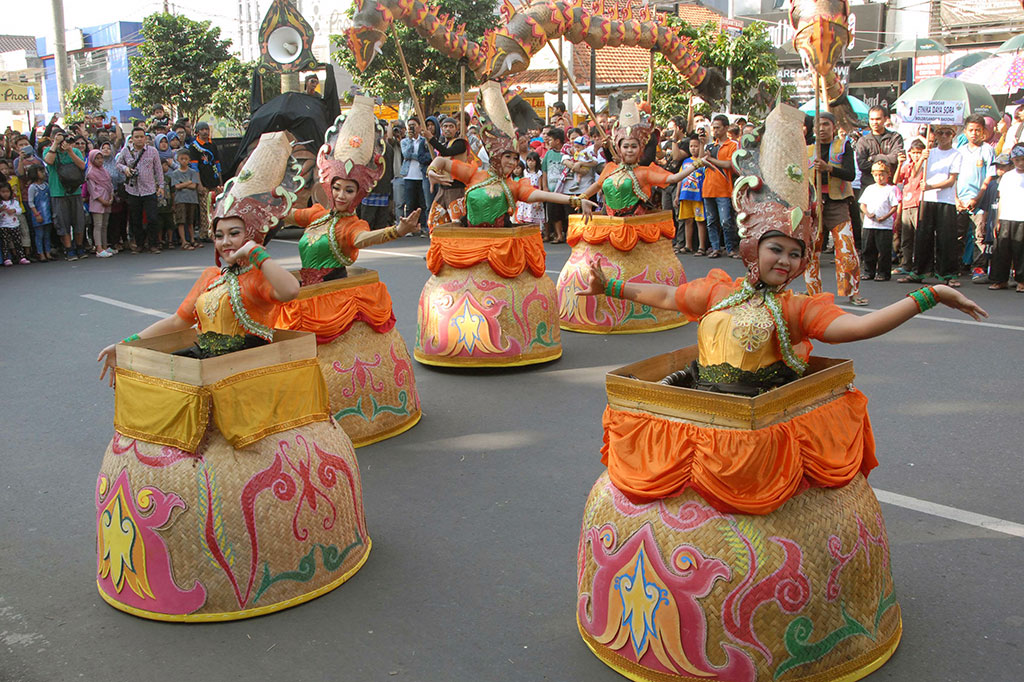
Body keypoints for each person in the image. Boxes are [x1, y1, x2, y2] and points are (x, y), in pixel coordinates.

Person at [806, 112, 867, 305]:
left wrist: (829, 168)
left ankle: (852, 291)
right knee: (811, 249)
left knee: (846, 248)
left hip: (837, 202)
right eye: (818, 125)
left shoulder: (844, 146)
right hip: (813, 203)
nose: (822, 129)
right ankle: (813, 293)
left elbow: (850, 174)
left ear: (833, 127)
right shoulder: (807, 149)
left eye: (825, 124)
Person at [899, 124, 962, 286]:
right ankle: (919, 271)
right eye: (940, 133)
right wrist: (921, 157)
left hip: (944, 200)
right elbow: (914, 173)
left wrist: (931, 186)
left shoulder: (956, 154)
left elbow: (951, 180)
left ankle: (947, 273)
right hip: (927, 199)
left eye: (948, 133)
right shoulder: (930, 153)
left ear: (953, 135)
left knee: (945, 237)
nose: (943, 136)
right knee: (923, 236)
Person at [954, 114, 995, 279]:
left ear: (983, 131)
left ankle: (978, 267)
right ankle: (955, 266)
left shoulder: (987, 150)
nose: (974, 133)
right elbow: (954, 176)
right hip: (960, 200)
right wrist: (956, 199)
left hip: (980, 201)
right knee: (958, 235)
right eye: (971, 130)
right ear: (965, 131)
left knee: (979, 235)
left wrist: (977, 198)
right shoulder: (959, 151)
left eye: (978, 130)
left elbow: (988, 178)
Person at [117, 126, 165, 254]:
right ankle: (139, 244)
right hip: (132, 190)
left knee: (152, 218)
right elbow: (118, 164)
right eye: (136, 137)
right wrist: (125, 169)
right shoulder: (126, 151)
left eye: (141, 137)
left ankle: (153, 244)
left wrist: (161, 186)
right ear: (132, 139)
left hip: (149, 189)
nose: (139, 139)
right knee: (135, 219)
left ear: (145, 138)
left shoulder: (153, 151)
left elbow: (158, 170)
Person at [43, 129, 87, 260]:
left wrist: (70, 151)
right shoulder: (49, 151)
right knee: (62, 222)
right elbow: (49, 161)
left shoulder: (75, 151)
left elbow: (82, 166)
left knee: (79, 221)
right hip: (58, 192)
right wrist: (55, 144)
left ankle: (79, 247)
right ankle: (69, 249)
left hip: (75, 191)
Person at [988, 144, 1024, 291]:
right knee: (1001, 250)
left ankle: (1022, 281)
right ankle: (1000, 279)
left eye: (1023, 159)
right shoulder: (1007, 177)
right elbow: (1001, 199)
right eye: (1017, 160)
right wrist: (997, 220)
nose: (1020, 163)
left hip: (1022, 219)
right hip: (1006, 217)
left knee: (1021, 251)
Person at [702, 114, 738, 258]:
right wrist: (702, 145)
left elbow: (730, 164)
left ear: (726, 128)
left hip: (724, 189)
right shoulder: (710, 145)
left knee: (726, 221)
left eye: (718, 128)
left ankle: (730, 248)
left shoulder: (733, 145)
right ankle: (715, 248)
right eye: (713, 128)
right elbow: (701, 161)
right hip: (708, 188)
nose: (715, 131)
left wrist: (710, 159)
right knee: (711, 221)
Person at [425, 116, 469, 231]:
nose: (448, 129)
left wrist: (431, 139)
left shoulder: (460, 143)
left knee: (457, 223)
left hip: (456, 189)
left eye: (451, 126)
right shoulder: (443, 145)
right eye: (445, 126)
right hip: (442, 189)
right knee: (433, 221)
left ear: (456, 129)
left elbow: (446, 153)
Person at [859, 161, 898, 280]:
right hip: (869, 224)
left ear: (888, 175)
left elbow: (894, 207)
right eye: (876, 175)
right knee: (868, 249)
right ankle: (868, 271)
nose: (879, 178)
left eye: (882, 175)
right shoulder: (870, 189)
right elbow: (862, 205)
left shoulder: (890, 189)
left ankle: (883, 273)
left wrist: (885, 217)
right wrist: (867, 213)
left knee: (884, 251)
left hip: (884, 225)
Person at [893, 139, 926, 275]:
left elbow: (915, 174)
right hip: (907, 203)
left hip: (919, 203)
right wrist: (900, 164)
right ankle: (906, 264)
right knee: (907, 236)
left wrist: (923, 159)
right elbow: (895, 181)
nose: (916, 156)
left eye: (919, 153)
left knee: (920, 236)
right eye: (914, 153)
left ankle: (918, 265)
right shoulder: (907, 166)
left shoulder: (925, 166)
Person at [855, 106, 904, 190]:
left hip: (889, 187)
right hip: (868, 187)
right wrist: (885, 162)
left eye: (878, 119)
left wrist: (874, 158)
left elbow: (895, 158)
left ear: (885, 119)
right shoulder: (863, 140)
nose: (874, 122)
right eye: (872, 119)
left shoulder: (895, 137)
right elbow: (862, 165)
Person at [188, 121, 223, 237]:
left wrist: (220, 182)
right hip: (203, 181)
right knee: (205, 209)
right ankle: (205, 233)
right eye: (202, 130)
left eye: (206, 129)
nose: (205, 132)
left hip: (214, 180)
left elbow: (217, 164)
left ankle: (217, 231)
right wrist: (199, 184)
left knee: (217, 207)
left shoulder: (212, 145)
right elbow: (194, 167)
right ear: (197, 132)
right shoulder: (194, 147)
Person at [676, 135, 707, 255]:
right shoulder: (685, 161)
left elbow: (700, 160)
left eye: (696, 146)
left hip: (697, 195)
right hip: (685, 194)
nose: (693, 148)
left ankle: (701, 246)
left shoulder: (702, 161)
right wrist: (677, 195)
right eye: (691, 146)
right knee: (687, 220)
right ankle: (688, 245)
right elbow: (680, 178)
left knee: (700, 221)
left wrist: (703, 145)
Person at [400, 117, 431, 231]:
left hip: (422, 175)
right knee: (410, 203)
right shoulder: (405, 141)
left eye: (413, 125)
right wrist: (411, 141)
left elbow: (427, 156)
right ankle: (408, 227)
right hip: (409, 175)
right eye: (409, 125)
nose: (411, 127)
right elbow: (406, 154)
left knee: (422, 203)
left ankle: (423, 226)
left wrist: (420, 157)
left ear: (419, 126)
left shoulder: (424, 140)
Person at [168, 149, 201, 250]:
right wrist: (188, 182)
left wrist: (184, 184)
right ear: (177, 160)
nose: (184, 161)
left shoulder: (193, 172)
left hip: (192, 199)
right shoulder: (175, 173)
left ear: (189, 160)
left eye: (186, 159)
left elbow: (194, 185)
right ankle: (183, 241)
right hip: (180, 199)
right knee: (181, 221)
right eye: (181, 159)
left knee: (191, 221)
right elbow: (177, 186)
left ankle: (192, 240)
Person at [85, 149, 114, 257]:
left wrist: (111, 197)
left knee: (105, 225)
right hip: (98, 202)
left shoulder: (104, 171)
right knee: (98, 225)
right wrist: (103, 201)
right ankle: (99, 248)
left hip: (107, 199)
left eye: (101, 158)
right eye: (97, 158)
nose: (100, 160)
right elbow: (93, 191)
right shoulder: (91, 173)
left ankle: (105, 246)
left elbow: (110, 184)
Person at [541, 126, 568, 242]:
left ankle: (568, 234)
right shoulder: (548, 154)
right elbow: (544, 171)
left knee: (567, 213)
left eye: (551, 139)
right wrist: (545, 187)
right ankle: (559, 235)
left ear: (557, 141)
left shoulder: (567, 152)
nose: (549, 141)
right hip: (552, 190)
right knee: (554, 214)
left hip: (566, 188)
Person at [26, 166, 53, 261]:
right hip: (38, 214)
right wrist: (36, 214)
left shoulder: (46, 185)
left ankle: (48, 253)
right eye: (40, 171)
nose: (43, 173)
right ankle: (41, 253)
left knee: (47, 234)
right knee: (39, 235)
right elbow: (30, 202)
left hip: (47, 213)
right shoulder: (33, 187)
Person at [0, 183, 28, 265]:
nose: (5, 194)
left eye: (7, 191)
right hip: (3, 225)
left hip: (14, 224)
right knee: (5, 243)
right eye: (3, 192)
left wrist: (14, 210)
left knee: (18, 241)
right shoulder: (1, 203)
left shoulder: (14, 202)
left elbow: (19, 211)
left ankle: (21, 257)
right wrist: (1, 210)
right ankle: (6, 258)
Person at [515, 150, 546, 226]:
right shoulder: (525, 172)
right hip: (526, 194)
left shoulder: (538, 173)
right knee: (525, 216)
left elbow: (539, 186)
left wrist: (539, 200)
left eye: (533, 161)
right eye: (529, 160)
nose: (530, 163)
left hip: (534, 194)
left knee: (534, 215)